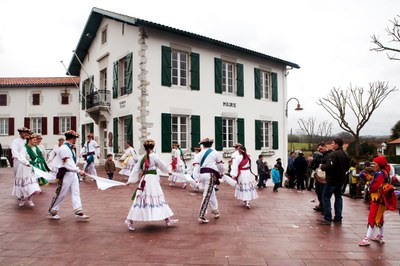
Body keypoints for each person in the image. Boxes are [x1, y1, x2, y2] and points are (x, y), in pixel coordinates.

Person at [125, 139, 178, 231]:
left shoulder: (141, 157)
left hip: (144, 179)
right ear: (153, 147)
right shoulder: (154, 156)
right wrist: (168, 171)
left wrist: (130, 180)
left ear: (145, 148)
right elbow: (162, 165)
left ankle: (130, 221)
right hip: (152, 180)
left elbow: (135, 169)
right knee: (158, 197)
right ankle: (167, 219)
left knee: (141, 199)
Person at [48, 130, 89, 220]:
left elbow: (72, 162)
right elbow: (67, 163)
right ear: (73, 138)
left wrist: (76, 171)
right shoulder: (64, 148)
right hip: (65, 173)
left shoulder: (70, 148)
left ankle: (78, 211)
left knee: (76, 192)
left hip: (73, 173)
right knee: (61, 193)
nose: (76, 140)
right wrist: (78, 171)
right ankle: (53, 209)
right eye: (75, 138)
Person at [359, 156, 395, 246]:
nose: (373, 165)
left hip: (377, 199)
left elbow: (374, 187)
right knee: (380, 218)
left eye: (375, 164)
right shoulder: (385, 172)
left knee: (373, 217)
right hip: (381, 200)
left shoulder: (379, 173)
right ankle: (380, 236)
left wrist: (369, 182)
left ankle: (367, 238)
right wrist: (369, 178)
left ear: (379, 164)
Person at [318, 138, 350, 225]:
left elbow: (329, 167)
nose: (331, 144)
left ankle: (327, 218)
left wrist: (322, 166)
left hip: (332, 179)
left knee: (326, 197)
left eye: (332, 143)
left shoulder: (334, 154)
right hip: (341, 179)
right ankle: (338, 217)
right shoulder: (345, 154)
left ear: (337, 144)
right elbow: (347, 167)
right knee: (338, 197)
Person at [196, 137, 225, 223]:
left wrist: (197, 177)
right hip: (210, 175)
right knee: (207, 194)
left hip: (202, 174)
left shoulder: (199, 154)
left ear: (203, 145)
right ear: (211, 144)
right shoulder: (215, 153)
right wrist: (221, 172)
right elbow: (220, 165)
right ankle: (202, 215)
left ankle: (215, 210)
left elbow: (197, 166)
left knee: (211, 192)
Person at [12, 133, 41, 207]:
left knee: (32, 184)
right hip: (24, 168)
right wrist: (27, 163)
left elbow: (38, 156)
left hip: (32, 168)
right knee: (23, 184)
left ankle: (30, 199)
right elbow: (22, 157)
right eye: (34, 139)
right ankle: (22, 199)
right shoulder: (24, 148)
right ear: (29, 140)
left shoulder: (35, 148)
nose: (35, 141)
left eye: (36, 139)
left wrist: (37, 162)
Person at [310, 143, 332, 212]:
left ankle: (325, 207)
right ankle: (322, 204)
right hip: (319, 176)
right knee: (318, 190)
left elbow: (324, 162)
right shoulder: (321, 155)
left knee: (323, 191)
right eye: (319, 149)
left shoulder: (329, 154)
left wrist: (317, 159)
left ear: (325, 147)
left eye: (321, 149)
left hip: (324, 176)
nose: (320, 150)